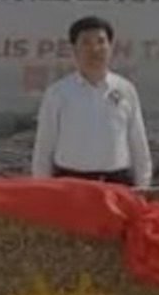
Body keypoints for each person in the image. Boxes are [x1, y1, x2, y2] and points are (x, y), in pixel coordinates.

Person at [30, 16, 152, 186]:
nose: (94, 49)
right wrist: (42, 188)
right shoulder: (58, 93)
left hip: (117, 183)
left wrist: (143, 186)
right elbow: (44, 147)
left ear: (110, 47)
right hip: (70, 184)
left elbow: (138, 143)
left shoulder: (125, 89)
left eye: (101, 42)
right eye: (86, 43)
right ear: (74, 49)